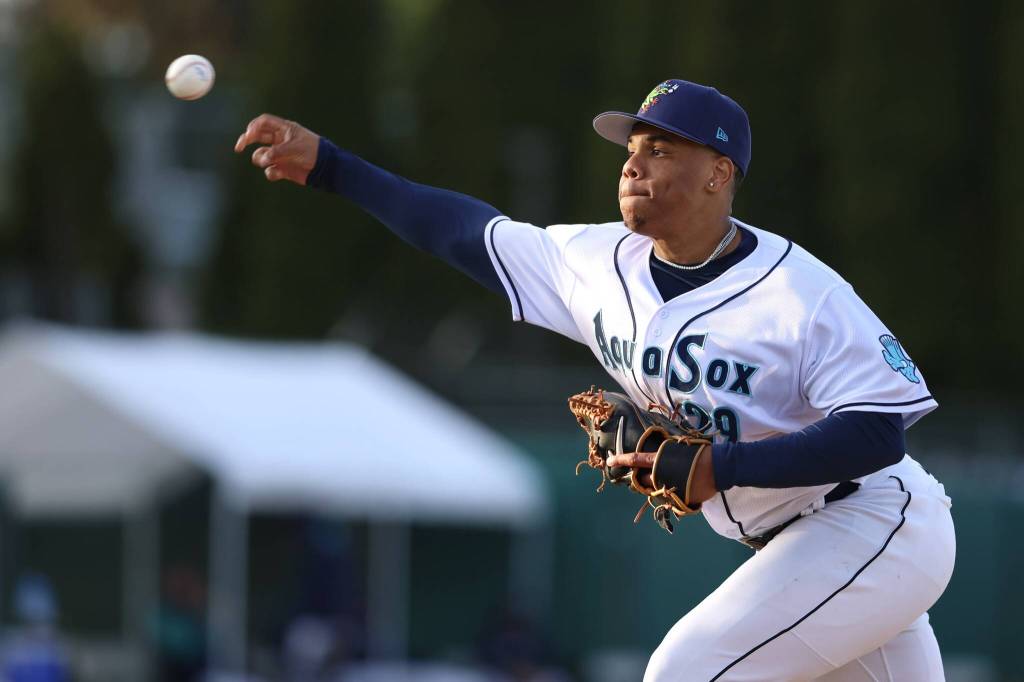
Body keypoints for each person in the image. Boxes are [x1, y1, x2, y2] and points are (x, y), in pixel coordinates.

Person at [234, 79, 955, 681]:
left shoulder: (802, 295)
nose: (633, 165)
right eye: (632, 150)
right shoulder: (595, 262)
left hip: (873, 518)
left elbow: (875, 431)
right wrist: (333, 166)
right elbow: (460, 230)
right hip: (803, 543)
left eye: (661, 149)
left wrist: (721, 466)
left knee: (687, 669)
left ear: (718, 172)